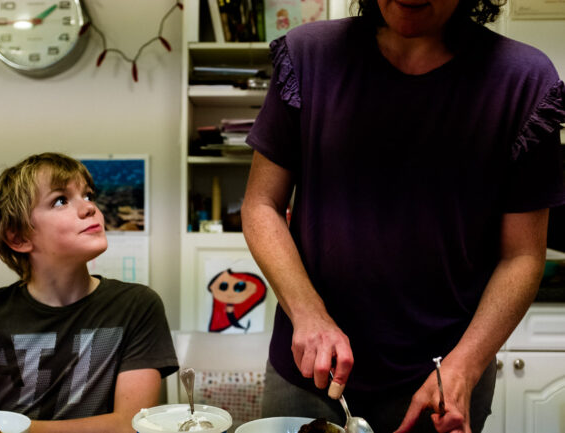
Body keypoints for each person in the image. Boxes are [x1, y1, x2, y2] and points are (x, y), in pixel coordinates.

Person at [241, 0, 565, 431]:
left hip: (441, 381)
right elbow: (260, 205)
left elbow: (522, 255)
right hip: (309, 373)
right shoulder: (308, 55)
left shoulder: (523, 80)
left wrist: (463, 367)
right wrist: (308, 314)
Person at [0, 153, 178, 432]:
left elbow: (130, 425)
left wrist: (9, 428)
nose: (90, 208)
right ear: (19, 237)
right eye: (61, 200)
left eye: (88, 195)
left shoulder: (137, 305)